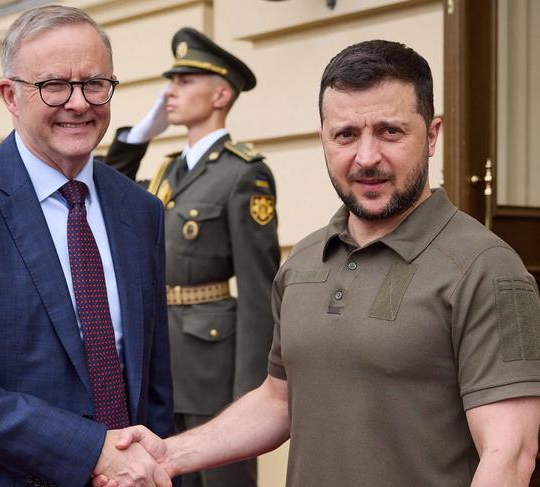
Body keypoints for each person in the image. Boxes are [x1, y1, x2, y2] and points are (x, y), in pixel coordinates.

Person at [97, 39, 540, 487]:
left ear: (432, 136)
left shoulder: (487, 268)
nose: (366, 157)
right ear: (323, 139)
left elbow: (510, 455)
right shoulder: (303, 262)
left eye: (390, 131)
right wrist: (170, 453)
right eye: (345, 134)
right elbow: (278, 401)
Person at [0, 6, 175, 487]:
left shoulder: (140, 210)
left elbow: (154, 385)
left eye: (95, 83)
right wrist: (91, 453)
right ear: (11, 96)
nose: (79, 103)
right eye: (54, 85)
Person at [103, 27, 280, 487]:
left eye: (184, 81)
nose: (170, 91)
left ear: (221, 93)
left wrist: (253, 394)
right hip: (161, 364)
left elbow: (260, 293)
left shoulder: (244, 174)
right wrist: (139, 136)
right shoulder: (167, 170)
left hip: (215, 366)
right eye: (171, 80)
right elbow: (105, 194)